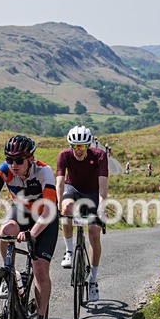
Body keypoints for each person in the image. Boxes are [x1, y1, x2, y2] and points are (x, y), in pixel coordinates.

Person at [0, 135, 58, 319]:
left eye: (19, 160)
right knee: (6, 230)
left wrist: (32, 233)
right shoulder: (5, 169)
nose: (13, 165)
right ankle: (11, 275)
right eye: (9, 159)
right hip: (22, 212)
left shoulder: (44, 172)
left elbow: (49, 210)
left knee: (40, 268)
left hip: (45, 217)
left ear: (30, 159)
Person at [56, 125, 108, 303]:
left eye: (82, 146)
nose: (78, 150)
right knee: (66, 208)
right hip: (73, 189)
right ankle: (69, 251)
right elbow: (60, 183)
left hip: (93, 193)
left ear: (89, 145)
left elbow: (103, 188)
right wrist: (58, 204)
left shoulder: (100, 156)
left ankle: (93, 280)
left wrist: (101, 208)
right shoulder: (64, 156)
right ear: (71, 146)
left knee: (94, 232)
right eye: (75, 147)